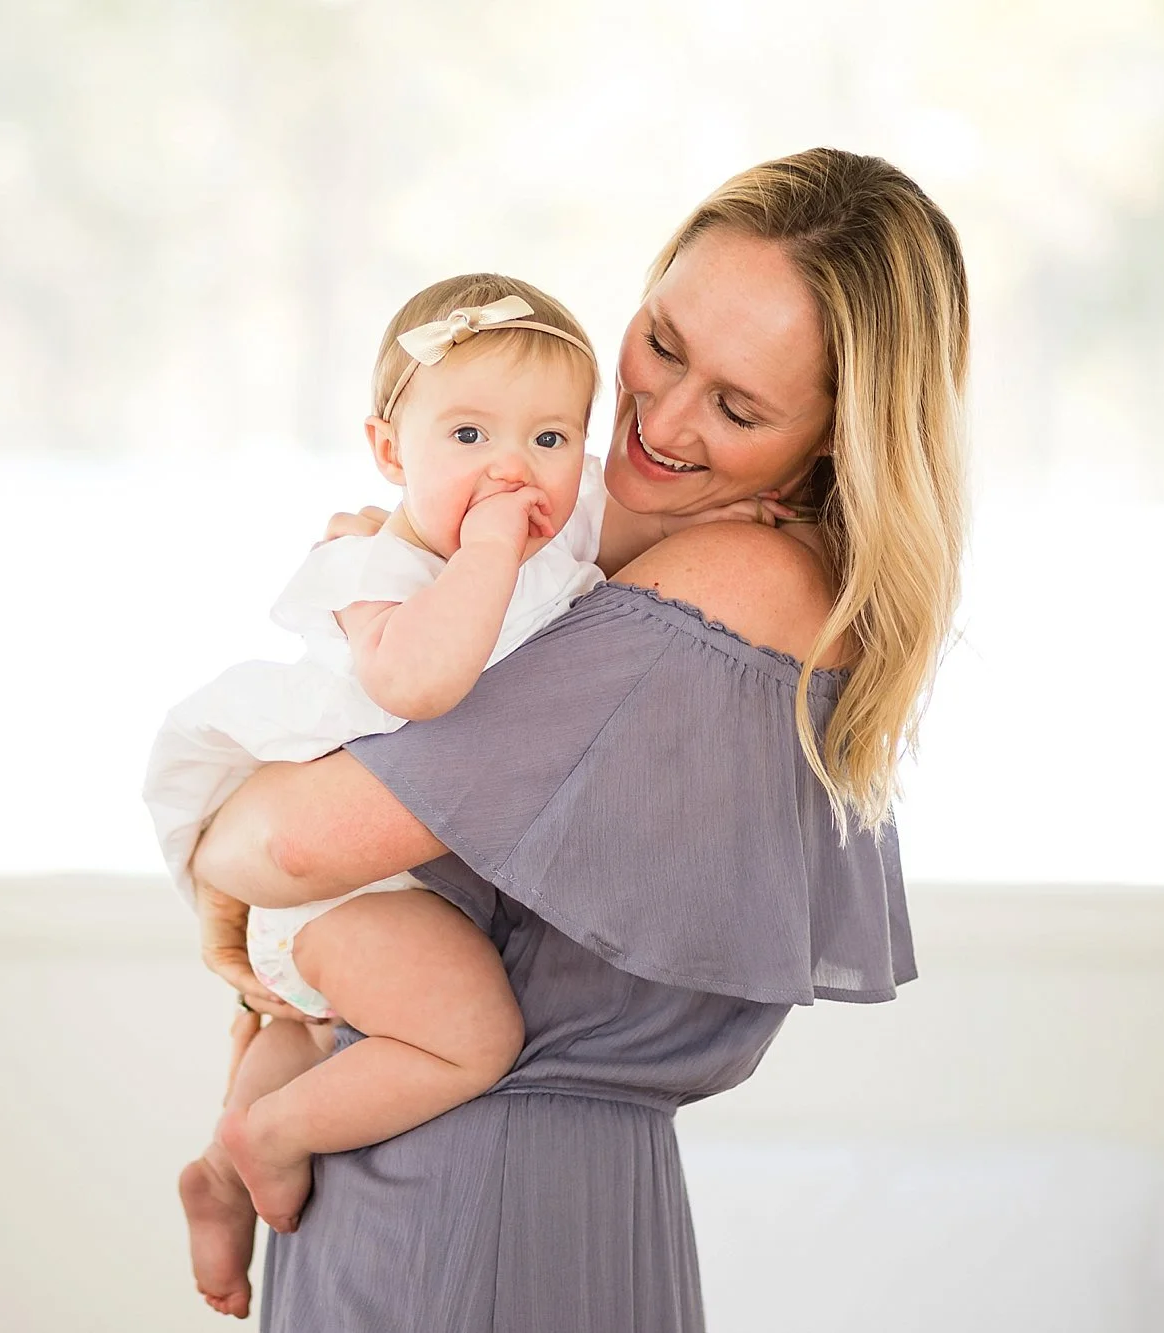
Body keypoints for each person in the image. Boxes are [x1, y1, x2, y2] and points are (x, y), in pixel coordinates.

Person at [188, 146, 969, 1332]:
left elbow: (276, 847)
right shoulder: (623, 560)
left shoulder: (729, 586)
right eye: (661, 343)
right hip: (452, 1178)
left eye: (740, 405)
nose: (657, 417)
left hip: (476, 1208)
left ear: (833, 440)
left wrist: (217, 867)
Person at [146, 274, 787, 1317]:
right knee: (467, 1034)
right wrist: (488, 548)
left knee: (309, 1034)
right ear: (390, 450)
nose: (510, 468)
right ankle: (266, 1134)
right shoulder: (371, 566)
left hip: (389, 883)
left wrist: (730, 506)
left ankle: (220, 1173)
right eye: (468, 434)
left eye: (547, 439)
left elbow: (632, 547)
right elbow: (419, 684)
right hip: (347, 895)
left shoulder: (550, 523)